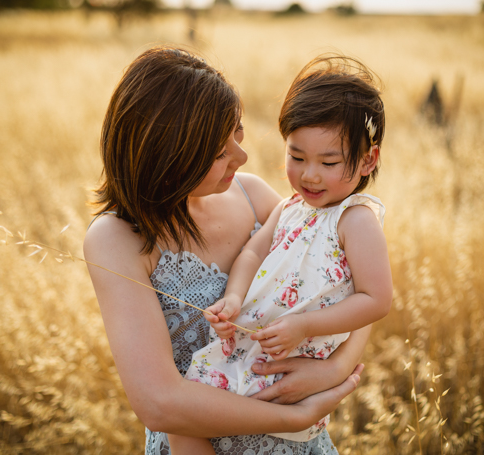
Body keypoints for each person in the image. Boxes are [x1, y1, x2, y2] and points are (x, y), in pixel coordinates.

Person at [84, 46, 374, 455]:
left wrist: (335, 369)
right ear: (169, 157)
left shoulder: (252, 194)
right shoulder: (117, 238)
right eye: (218, 153)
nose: (242, 156)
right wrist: (294, 416)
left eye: (237, 133)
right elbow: (160, 404)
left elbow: (355, 283)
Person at [167, 55, 393, 455]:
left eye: (329, 162)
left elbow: (376, 299)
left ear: (367, 160)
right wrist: (233, 298)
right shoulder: (290, 207)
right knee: (184, 418)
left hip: (294, 360)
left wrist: (305, 326)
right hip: (251, 348)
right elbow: (253, 252)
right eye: (296, 156)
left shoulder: (354, 220)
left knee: (233, 421)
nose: (309, 175)